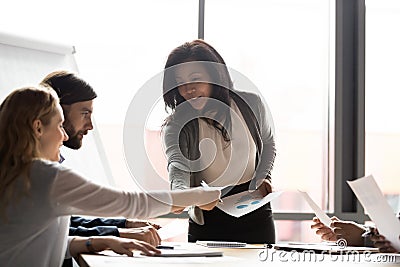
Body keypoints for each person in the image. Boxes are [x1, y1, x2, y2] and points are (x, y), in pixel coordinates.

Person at [0, 86, 221, 267]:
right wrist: (200, 196)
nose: (64, 135)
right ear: (38, 128)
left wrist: (101, 241)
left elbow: (34, 242)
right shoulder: (45, 176)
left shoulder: (12, 173)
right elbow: (132, 203)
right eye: (59, 125)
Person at [162, 39, 276, 244]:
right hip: (208, 217)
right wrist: (183, 195)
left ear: (215, 76)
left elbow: (268, 144)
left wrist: (263, 177)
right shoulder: (176, 124)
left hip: (255, 211)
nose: (188, 89)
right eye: (180, 83)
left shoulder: (251, 104)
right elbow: (177, 168)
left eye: (196, 78)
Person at [40, 70, 161, 247]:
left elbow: (63, 222)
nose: (90, 126)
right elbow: (55, 233)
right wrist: (118, 233)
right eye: (85, 114)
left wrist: (123, 225)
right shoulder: (34, 170)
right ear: (59, 110)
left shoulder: (48, 161)